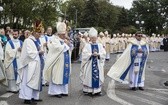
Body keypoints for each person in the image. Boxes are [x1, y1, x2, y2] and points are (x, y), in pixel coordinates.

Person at [17, 21, 44, 104]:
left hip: (35, 65)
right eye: (39, 34)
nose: (40, 35)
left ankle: (34, 97)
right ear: (35, 33)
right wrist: (39, 52)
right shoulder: (28, 41)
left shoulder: (35, 40)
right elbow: (29, 53)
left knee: (34, 81)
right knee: (28, 81)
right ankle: (27, 98)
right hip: (29, 65)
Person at [43, 22, 71, 98]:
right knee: (57, 75)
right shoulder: (54, 39)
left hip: (65, 60)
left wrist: (67, 44)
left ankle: (63, 91)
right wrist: (65, 45)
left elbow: (69, 48)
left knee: (63, 74)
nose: (64, 36)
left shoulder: (64, 40)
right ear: (59, 34)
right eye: (63, 35)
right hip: (57, 61)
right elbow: (55, 48)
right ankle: (56, 91)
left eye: (64, 34)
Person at [80, 27, 106, 96]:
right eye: (92, 38)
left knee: (98, 76)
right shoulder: (87, 45)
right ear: (90, 38)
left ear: (96, 37)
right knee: (89, 77)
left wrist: (98, 54)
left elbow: (104, 53)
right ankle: (88, 90)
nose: (94, 39)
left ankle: (97, 90)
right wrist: (90, 54)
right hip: (90, 64)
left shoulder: (100, 45)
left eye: (95, 38)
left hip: (97, 63)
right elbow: (84, 54)